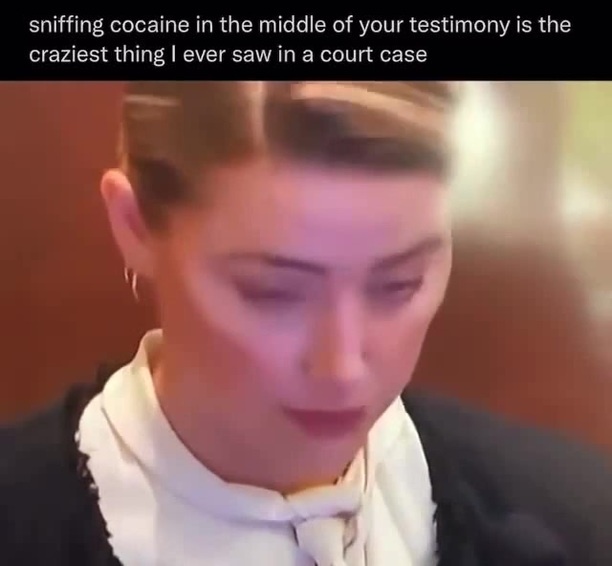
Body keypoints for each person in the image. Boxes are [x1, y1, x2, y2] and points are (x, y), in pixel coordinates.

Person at [1, 81, 611, 566]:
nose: (342, 366)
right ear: (135, 227)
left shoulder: (580, 512)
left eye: (399, 284)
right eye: (272, 292)